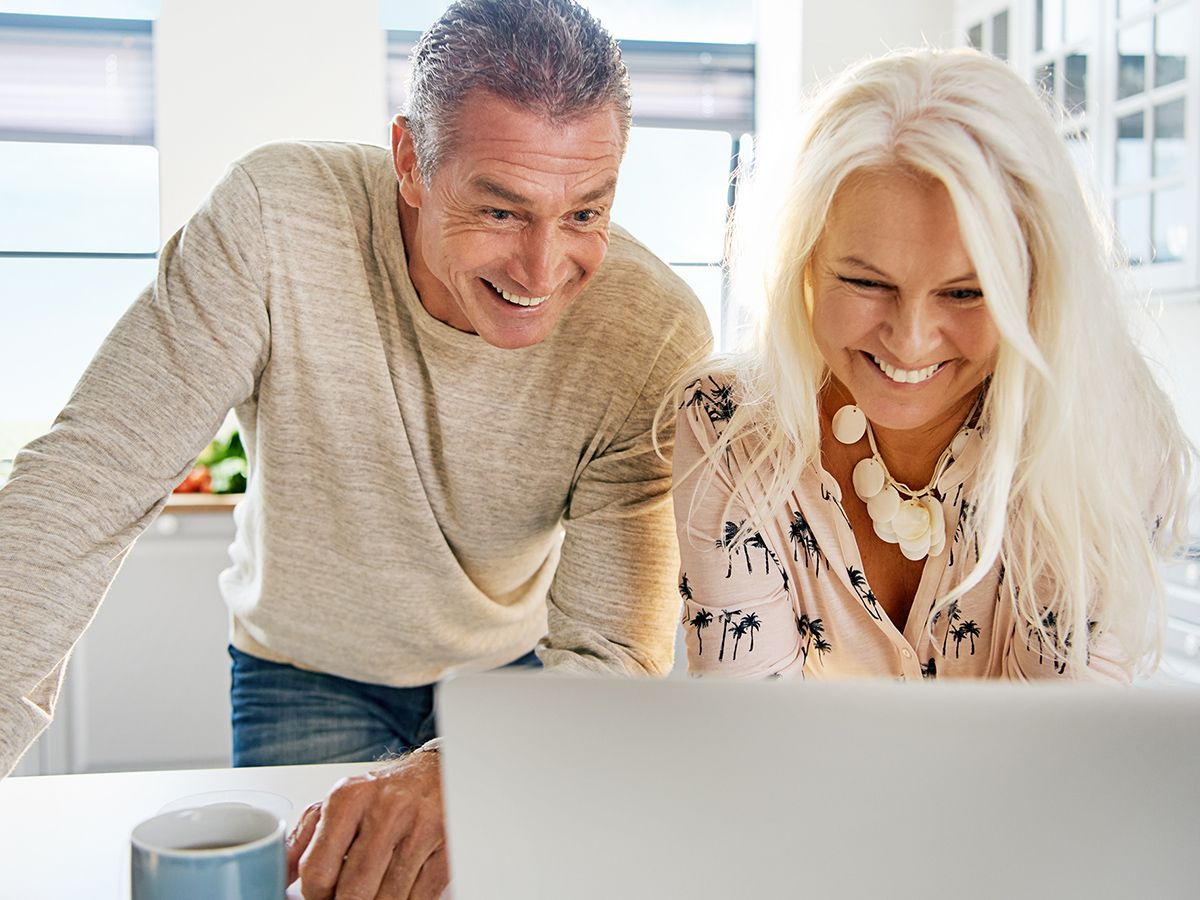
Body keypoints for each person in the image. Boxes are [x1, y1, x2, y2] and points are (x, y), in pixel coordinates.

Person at [0, 0, 710, 897]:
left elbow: (616, 652)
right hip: (304, 671)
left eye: (584, 213)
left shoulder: (649, 333)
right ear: (411, 162)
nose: (542, 271)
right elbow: (85, 483)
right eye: (500, 209)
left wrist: (473, 762)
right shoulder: (275, 222)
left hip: (516, 673)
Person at [672, 48, 1192, 684]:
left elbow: (1059, 756)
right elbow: (746, 734)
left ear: (1038, 288)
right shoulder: (728, 424)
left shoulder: (1109, 440)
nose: (910, 341)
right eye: (866, 282)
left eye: (966, 293)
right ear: (803, 264)